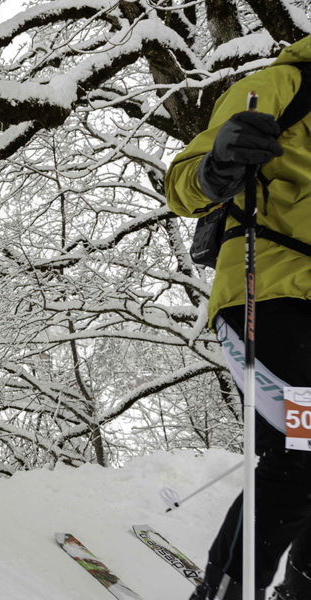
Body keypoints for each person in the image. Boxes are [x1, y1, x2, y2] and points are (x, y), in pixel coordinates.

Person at [166, 35, 311, 600]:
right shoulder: (281, 86)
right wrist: (218, 165)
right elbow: (182, 185)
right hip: (266, 290)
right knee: (303, 448)